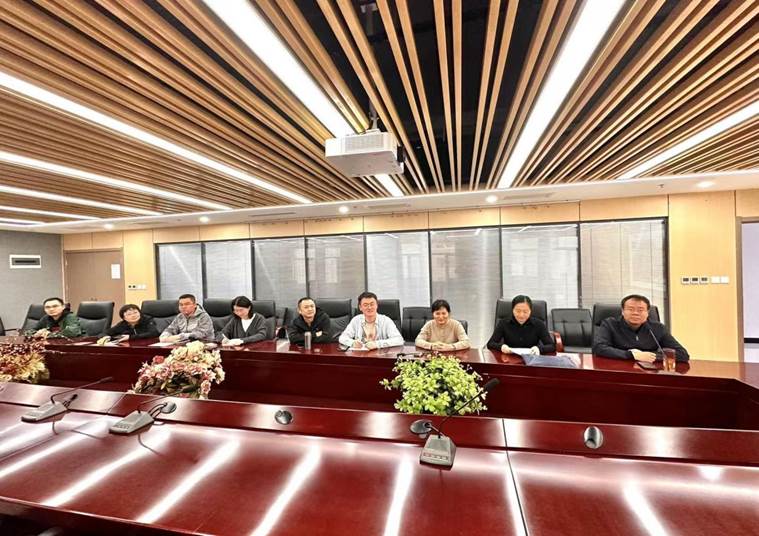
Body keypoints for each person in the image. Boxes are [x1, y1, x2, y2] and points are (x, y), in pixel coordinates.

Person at [593, 294, 689, 362]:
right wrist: (632, 355)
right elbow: (599, 348)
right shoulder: (610, 324)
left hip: (649, 372)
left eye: (640, 310)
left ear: (647, 313)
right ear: (622, 311)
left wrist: (650, 356)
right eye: (630, 309)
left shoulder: (658, 328)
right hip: (617, 370)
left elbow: (682, 354)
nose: (635, 313)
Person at [487, 295, 555, 354]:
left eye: (525, 311)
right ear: (512, 310)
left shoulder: (539, 324)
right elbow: (490, 344)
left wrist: (539, 349)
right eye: (518, 311)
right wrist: (501, 347)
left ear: (530, 311)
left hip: (532, 358)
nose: (521, 315)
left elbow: (551, 346)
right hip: (509, 358)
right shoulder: (503, 323)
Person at [339, 292, 403, 349]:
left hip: (381, 355)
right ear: (360, 307)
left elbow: (399, 340)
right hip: (360, 355)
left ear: (376, 305)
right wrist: (352, 343)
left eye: (372, 304)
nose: (369, 307)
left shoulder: (386, 321)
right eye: (365, 305)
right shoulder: (356, 320)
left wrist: (377, 344)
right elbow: (342, 338)